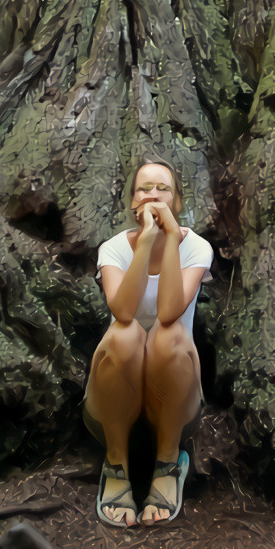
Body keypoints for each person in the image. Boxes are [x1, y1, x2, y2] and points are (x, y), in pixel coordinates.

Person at [83, 159, 213, 527]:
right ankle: (116, 467)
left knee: (167, 334)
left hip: (173, 400)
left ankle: (168, 464)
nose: (153, 195)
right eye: (144, 189)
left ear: (177, 201)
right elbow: (122, 311)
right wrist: (146, 243)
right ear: (132, 202)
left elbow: (170, 310)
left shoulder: (197, 248)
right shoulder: (113, 249)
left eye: (163, 189)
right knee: (125, 333)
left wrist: (170, 239)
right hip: (115, 399)